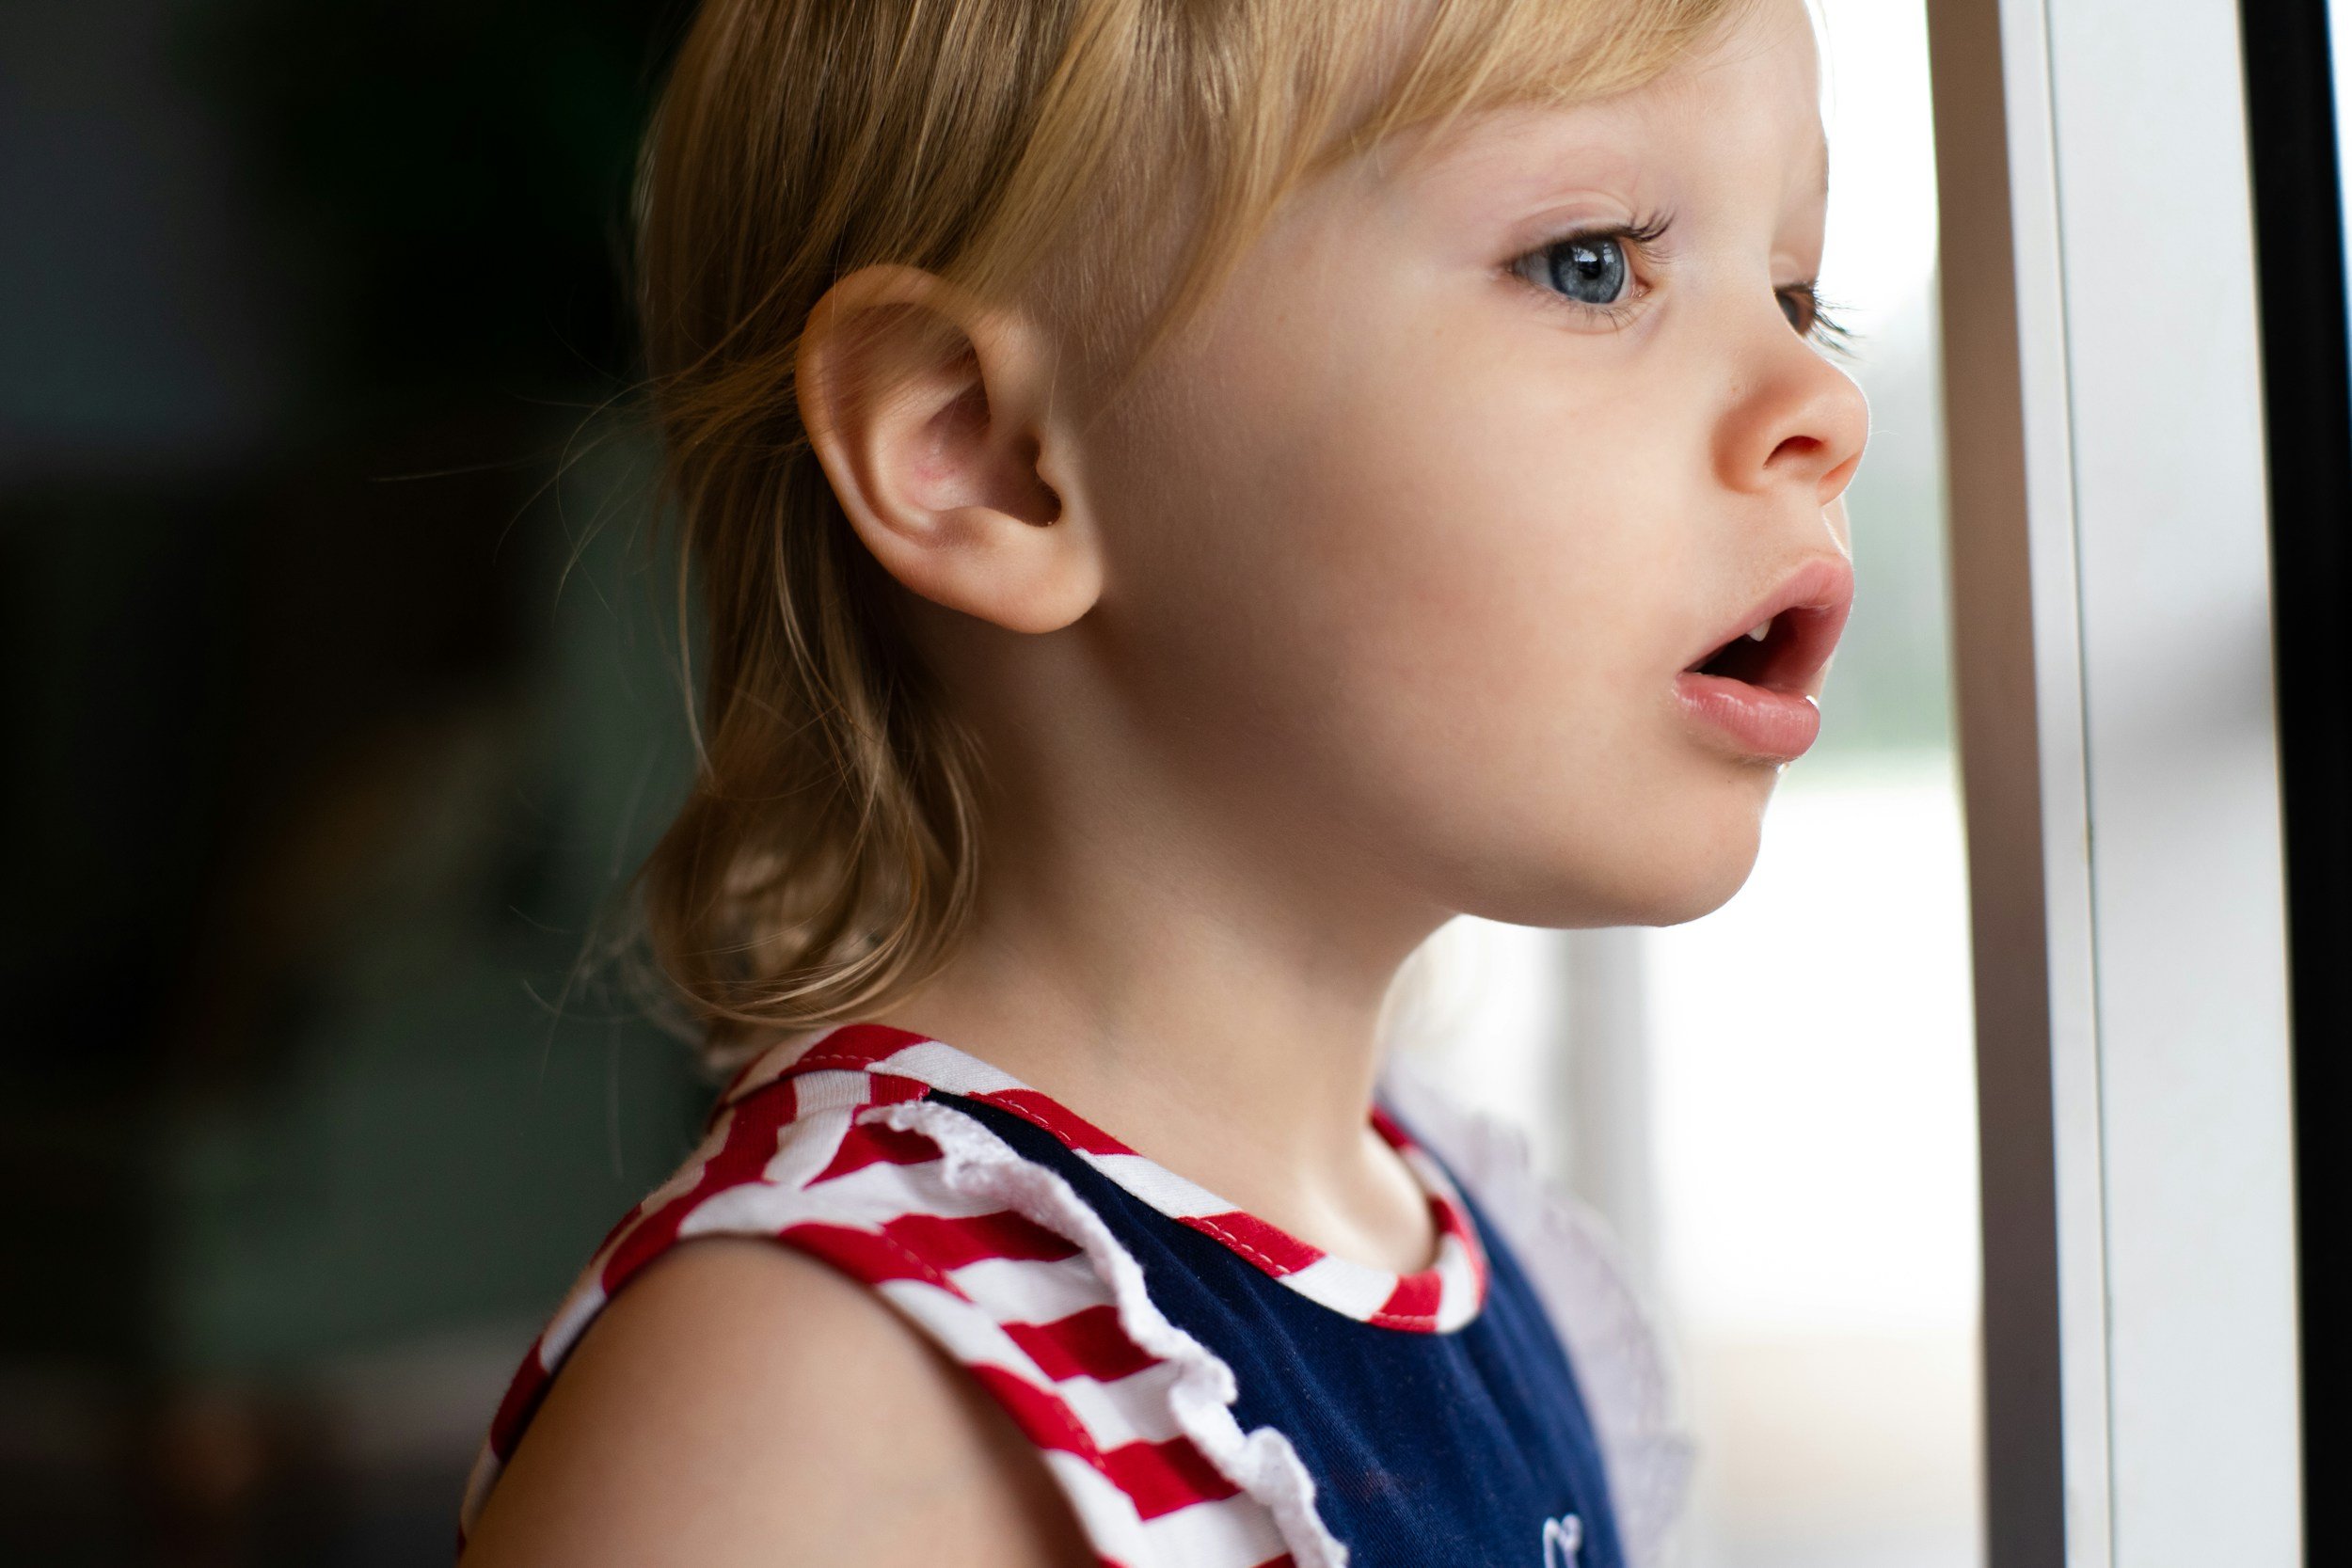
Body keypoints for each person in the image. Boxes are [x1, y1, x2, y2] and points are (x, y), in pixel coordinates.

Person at [455, 0, 1866, 1561]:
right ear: (990, 451)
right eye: (1589, 261)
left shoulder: (1478, 1248)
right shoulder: (820, 1406)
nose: (1825, 408)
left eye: (1803, 299)